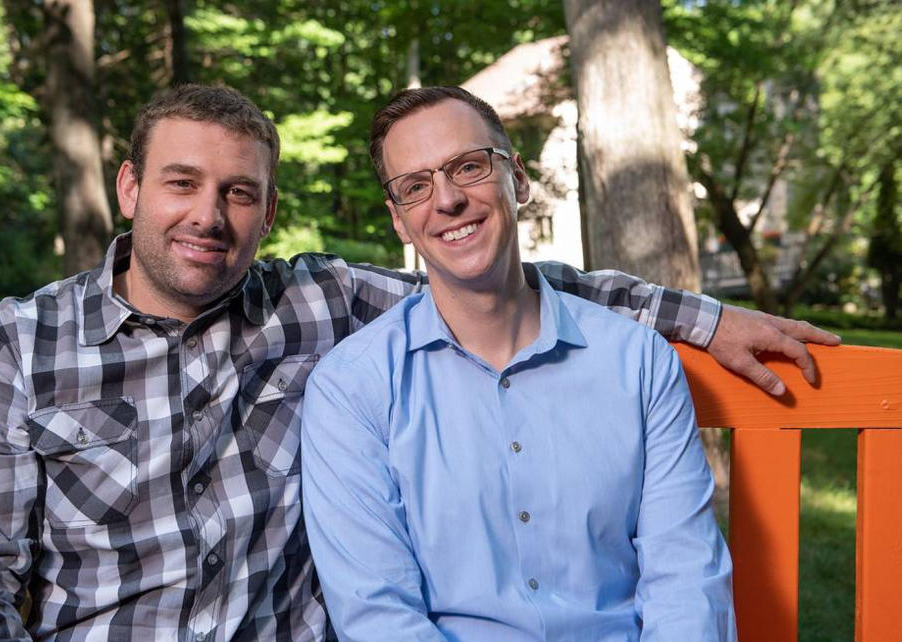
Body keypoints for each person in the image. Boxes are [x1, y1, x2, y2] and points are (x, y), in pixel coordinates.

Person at [0, 84, 830, 640]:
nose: (209, 215)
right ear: (131, 187)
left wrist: (701, 318)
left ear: (268, 211)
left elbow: (498, 277)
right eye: (181, 183)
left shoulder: (312, 303)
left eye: (239, 193)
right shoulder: (17, 347)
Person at [301, 86, 736, 640]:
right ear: (399, 220)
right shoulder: (351, 387)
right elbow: (379, 616)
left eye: (468, 167)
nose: (447, 199)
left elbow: (686, 580)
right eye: (416, 186)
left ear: (519, 178)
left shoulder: (639, 361)